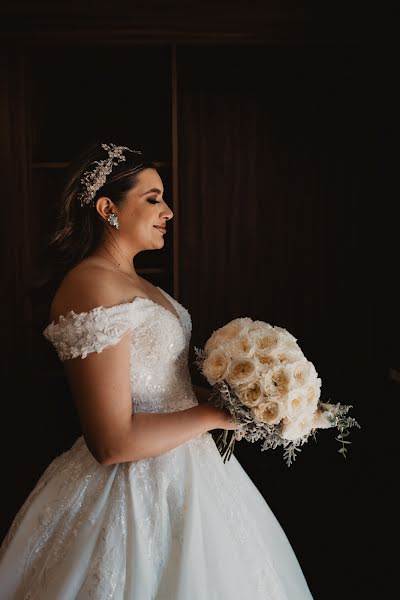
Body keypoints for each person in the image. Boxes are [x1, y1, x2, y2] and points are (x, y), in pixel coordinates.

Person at [0, 141, 313, 599]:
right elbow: (111, 442)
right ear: (108, 208)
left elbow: (168, 388)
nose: (168, 211)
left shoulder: (141, 284)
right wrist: (219, 417)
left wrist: (249, 400)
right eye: (153, 199)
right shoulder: (90, 284)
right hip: (130, 488)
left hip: (197, 476)